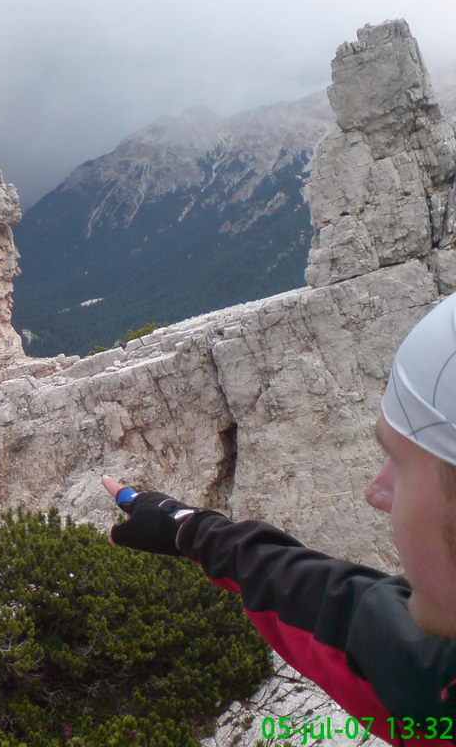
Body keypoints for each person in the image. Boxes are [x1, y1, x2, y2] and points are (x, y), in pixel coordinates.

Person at [105, 292, 456, 746]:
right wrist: (191, 529)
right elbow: (344, 616)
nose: (376, 493)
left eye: (402, 464)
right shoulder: (436, 684)